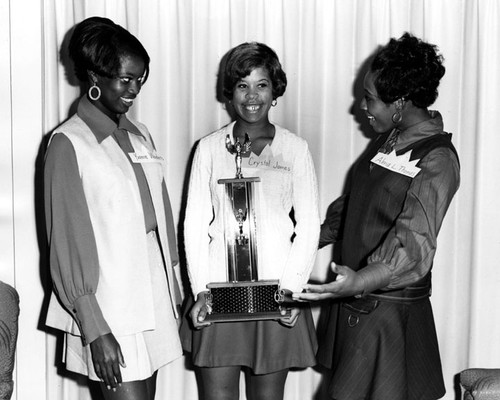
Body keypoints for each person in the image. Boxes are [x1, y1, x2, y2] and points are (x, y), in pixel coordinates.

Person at [293, 32, 460, 400]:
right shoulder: (392, 139)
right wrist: (305, 240)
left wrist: (362, 279)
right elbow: (360, 205)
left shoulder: (437, 158)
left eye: (370, 99)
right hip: (360, 304)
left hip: (387, 314)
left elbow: (415, 242)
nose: (362, 108)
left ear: (399, 102)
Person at [44, 17, 182, 400]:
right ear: (94, 76)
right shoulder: (68, 143)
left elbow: (161, 218)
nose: (134, 89)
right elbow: (68, 243)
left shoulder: (140, 134)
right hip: (109, 307)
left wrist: (177, 289)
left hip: (152, 295)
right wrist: (94, 327)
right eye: (125, 79)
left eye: (140, 79)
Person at [181, 42, 320, 400]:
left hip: (276, 294)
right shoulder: (209, 148)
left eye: (262, 84)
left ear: (275, 90)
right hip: (218, 292)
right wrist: (200, 290)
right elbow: (194, 224)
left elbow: (308, 227)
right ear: (230, 92)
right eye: (243, 85)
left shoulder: (294, 148)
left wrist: (290, 290)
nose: (252, 95)